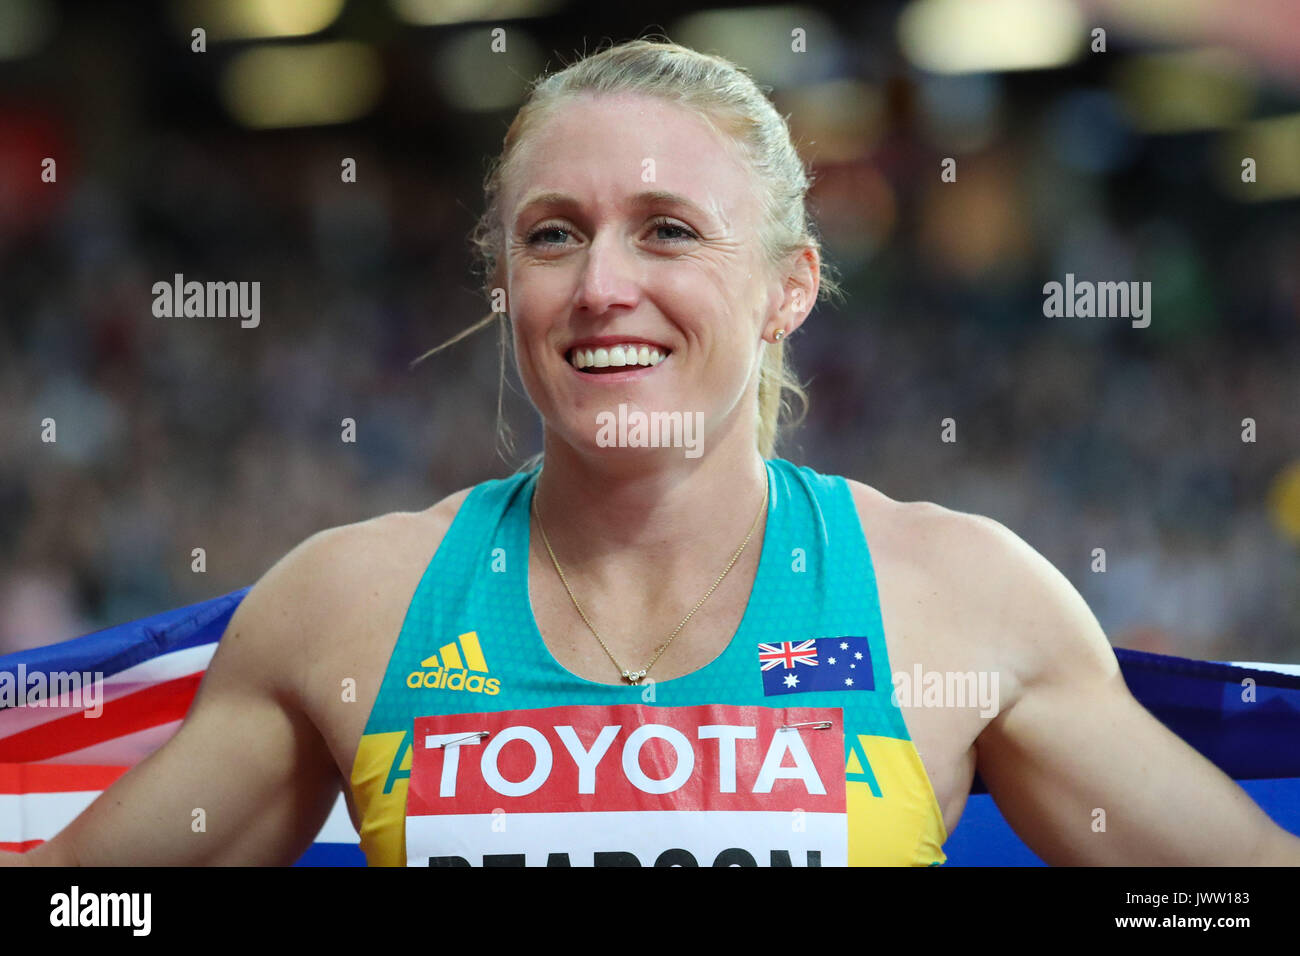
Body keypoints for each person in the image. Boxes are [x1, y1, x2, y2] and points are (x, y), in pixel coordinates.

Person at [4, 37, 1298, 867]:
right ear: (502, 280)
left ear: (790, 288)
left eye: (669, 231)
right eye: (555, 234)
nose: (601, 283)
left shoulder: (959, 603)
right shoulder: (352, 605)